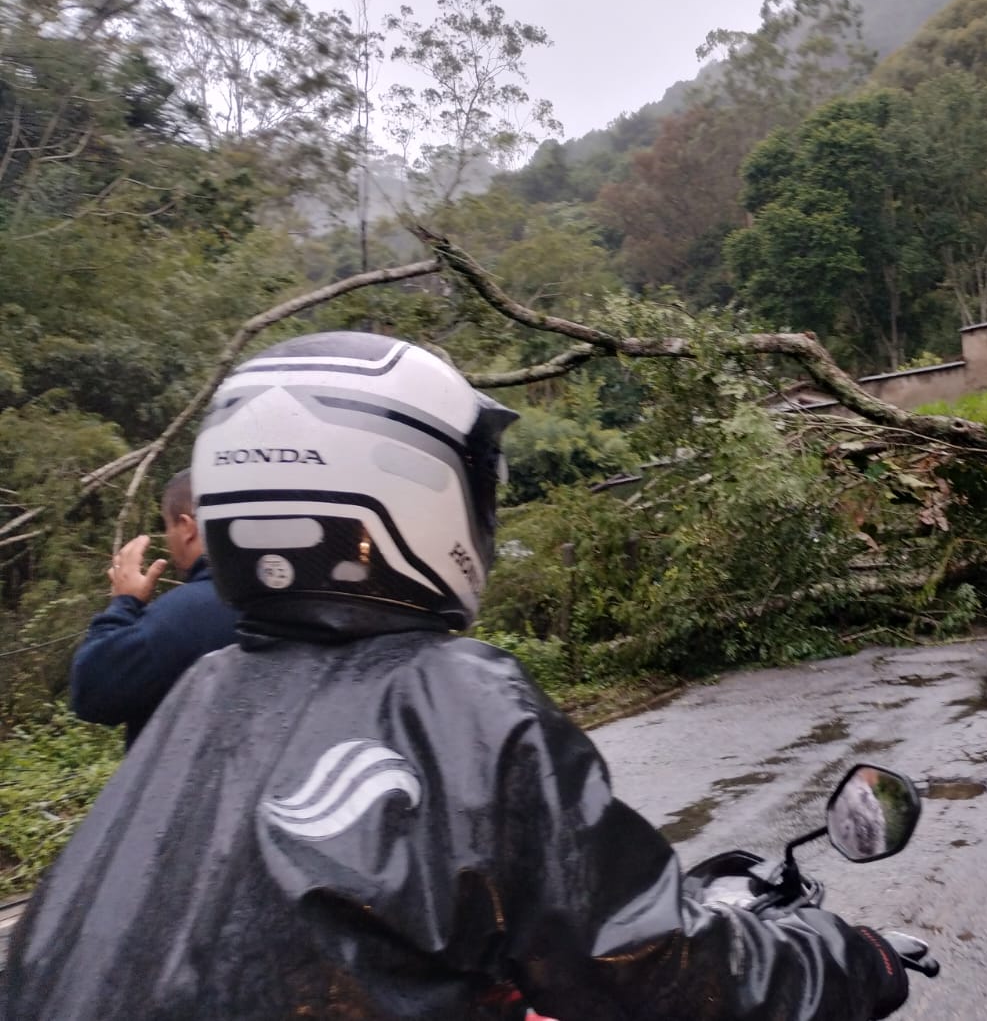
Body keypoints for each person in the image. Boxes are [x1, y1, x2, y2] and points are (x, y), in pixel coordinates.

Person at [3, 332, 909, 1021]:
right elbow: (650, 958)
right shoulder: (456, 702)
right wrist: (855, 960)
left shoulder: (198, 696)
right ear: (412, 486)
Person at [69, 467, 241, 747]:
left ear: (187, 528)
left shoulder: (184, 616)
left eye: (167, 526)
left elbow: (92, 691)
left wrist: (125, 602)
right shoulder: (293, 601)